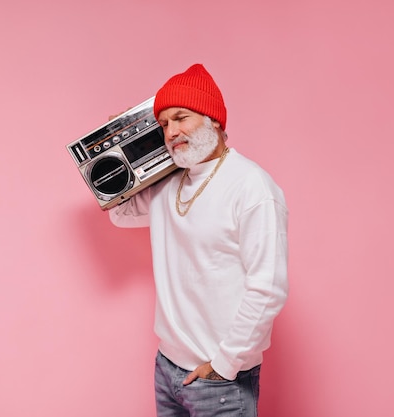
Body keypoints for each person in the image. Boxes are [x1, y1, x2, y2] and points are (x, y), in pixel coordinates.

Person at [109, 63, 289, 417]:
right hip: (167, 368)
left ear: (214, 120)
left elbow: (268, 287)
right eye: (163, 125)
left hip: (220, 379)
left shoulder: (251, 187)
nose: (171, 131)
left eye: (181, 117)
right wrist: (127, 143)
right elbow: (119, 212)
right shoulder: (168, 184)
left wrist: (225, 365)